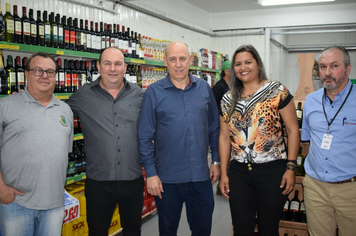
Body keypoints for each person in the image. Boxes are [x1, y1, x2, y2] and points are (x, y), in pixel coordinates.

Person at [138, 41, 220, 235]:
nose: (178, 64)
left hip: (200, 176)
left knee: (202, 230)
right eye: (173, 59)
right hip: (167, 179)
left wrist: (215, 161)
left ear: (190, 60)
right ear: (165, 61)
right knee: (168, 230)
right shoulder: (153, 93)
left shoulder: (204, 89)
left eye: (182, 59)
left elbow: (214, 128)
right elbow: (144, 136)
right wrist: (151, 173)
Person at [219, 44, 299, 236]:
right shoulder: (227, 99)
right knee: (241, 229)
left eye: (248, 62)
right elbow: (223, 136)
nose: (242, 67)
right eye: (238, 64)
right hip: (239, 174)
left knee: (268, 229)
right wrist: (224, 173)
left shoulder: (276, 90)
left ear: (257, 64)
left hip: (272, 172)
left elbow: (293, 129)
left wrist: (290, 167)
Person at [66, 47, 144, 236]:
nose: (113, 69)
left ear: (125, 67)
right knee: (97, 232)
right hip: (99, 182)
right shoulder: (83, 96)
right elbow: (55, 113)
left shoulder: (140, 95)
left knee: (133, 231)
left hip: (132, 179)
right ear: (99, 67)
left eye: (118, 64)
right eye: (107, 63)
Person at [0, 52, 73, 236]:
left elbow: (63, 154)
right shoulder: (5, 106)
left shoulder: (65, 110)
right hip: (16, 202)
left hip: (55, 203)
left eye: (50, 72)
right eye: (38, 71)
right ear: (26, 73)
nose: (44, 76)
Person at [301, 46, 356, 236]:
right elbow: (306, 141)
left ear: (347, 69)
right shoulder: (311, 101)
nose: (327, 73)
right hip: (316, 188)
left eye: (334, 66)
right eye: (322, 67)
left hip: (350, 189)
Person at [213, 60, 231, 195]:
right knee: (223, 152)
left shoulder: (233, 85)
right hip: (220, 124)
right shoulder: (219, 87)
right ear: (226, 71)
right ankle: (221, 185)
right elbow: (213, 107)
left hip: (230, 124)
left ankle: (226, 182)